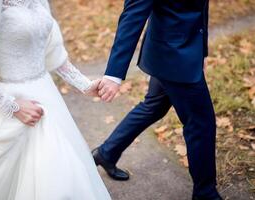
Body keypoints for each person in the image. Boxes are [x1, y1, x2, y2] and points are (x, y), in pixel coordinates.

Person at [0, 0, 111, 199]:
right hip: (9, 105)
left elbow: (50, 50)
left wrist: (84, 84)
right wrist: (13, 106)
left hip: (47, 97)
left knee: (60, 175)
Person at [93, 0, 222, 200]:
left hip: (182, 50)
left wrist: (201, 50)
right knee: (201, 123)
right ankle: (205, 193)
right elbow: (132, 15)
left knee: (154, 106)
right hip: (173, 56)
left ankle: (106, 153)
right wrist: (113, 75)